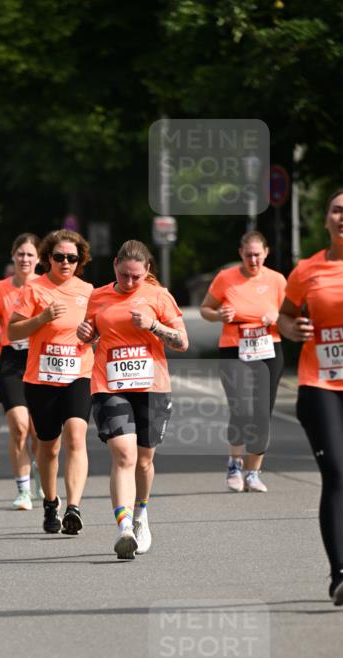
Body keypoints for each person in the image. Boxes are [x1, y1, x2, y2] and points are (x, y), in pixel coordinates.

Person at [78, 240, 188, 558]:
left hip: (152, 385)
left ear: (147, 271)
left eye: (136, 277)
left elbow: (182, 342)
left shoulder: (159, 296)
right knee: (124, 455)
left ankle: (141, 514)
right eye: (124, 275)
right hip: (109, 383)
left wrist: (153, 325)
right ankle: (124, 528)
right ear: (115, 265)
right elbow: (90, 336)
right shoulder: (98, 296)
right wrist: (85, 334)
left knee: (144, 460)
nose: (129, 282)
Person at [278, 188, 343, 606]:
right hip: (320, 383)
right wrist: (291, 329)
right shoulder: (307, 270)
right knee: (338, 472)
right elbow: (284, 315)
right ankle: (340, 575)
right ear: (326, 220)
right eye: (337, 210)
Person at [8, 229, 94, 534]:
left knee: (75, 437)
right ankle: (50, 502)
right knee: (49, 446)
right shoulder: (34, 289)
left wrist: (92, 334)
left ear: (80, 260)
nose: (66, 262)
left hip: (78, 374)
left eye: (72, 257)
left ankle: (74, 507)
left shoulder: (88, 291)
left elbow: (99, 329)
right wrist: (42, 318)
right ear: (48, 259)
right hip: (41, 378)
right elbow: (13, 332)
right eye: (59, 257)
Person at [200, 232, 287, 492]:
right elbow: (206, 309)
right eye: (248, 255)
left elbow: (293, 314)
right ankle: (234, 466)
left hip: (269, 348)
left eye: (257, 254)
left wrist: (277, 315)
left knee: (262, 415)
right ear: (240, 253)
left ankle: (253, 471)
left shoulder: (277, 280)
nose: (253, 259)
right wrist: (218, 315)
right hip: (234, 349)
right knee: (241, 411)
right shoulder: (225, 278)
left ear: (266, 253)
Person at [0, 233, 42, 510]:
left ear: (39, 258)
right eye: (21, 254)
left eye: (30, 254)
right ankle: (23, 490)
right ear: (13, 256)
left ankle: (42, 472)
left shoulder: (46, 287)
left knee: (40, 432)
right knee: (19, 426)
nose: (25, 259)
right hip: (11, 361)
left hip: (42, 360)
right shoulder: (0, 288)